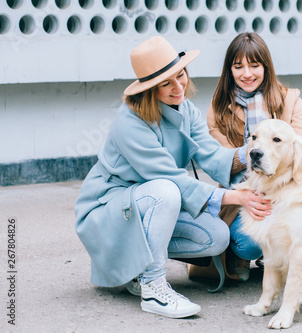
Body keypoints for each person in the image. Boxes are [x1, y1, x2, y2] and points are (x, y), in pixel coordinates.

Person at [74, 36, 271, 319]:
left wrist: (257, 150)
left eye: (180, 75)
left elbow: (214, 157)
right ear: (149, 89)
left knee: (216, 237)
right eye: (166, 83)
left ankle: (138, 269)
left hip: (150, 204)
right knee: (166, 190)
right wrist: (235, 196)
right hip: (107, 212)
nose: (178, 87)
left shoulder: (185, 109)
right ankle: (153, 285)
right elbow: (171, 179)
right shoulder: (129, 122)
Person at [206, 32, 302, 282]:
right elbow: (218, 161)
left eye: (254, 65)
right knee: (248, 246)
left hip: (284, 185)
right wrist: (253, 152)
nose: (247, 73)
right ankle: (244, 254)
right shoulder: (219, 108)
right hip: (246, 189)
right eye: (238, 66)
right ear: (229, 69)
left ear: (266, 66)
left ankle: (291, 248)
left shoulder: (290, 100)